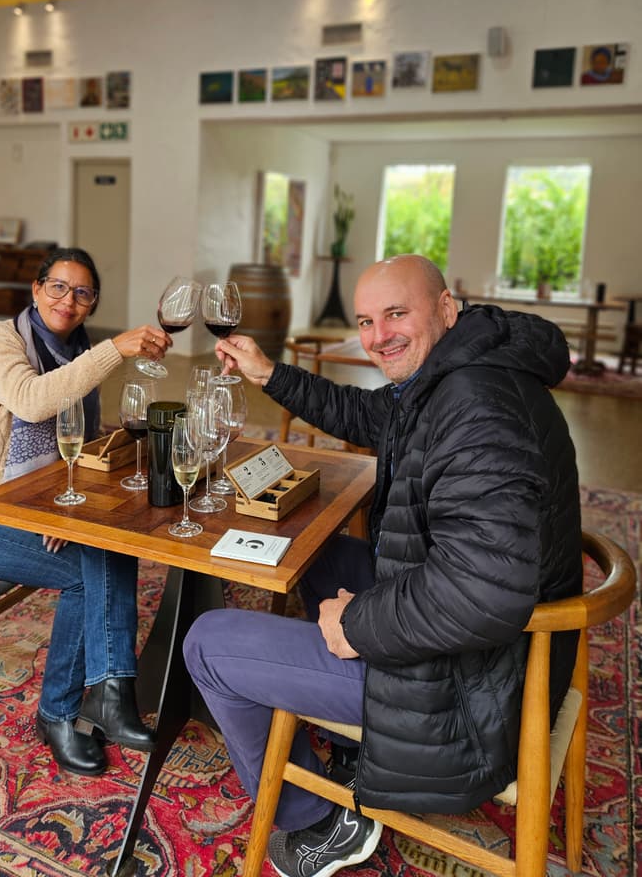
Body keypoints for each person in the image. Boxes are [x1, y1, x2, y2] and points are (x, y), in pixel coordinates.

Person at [184, 254, 582, 877]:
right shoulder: (460, 371)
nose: (378, 336)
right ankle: (353, 744)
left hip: (471, 693)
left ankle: (319, 818)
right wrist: (268, 373)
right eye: (367, 320)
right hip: (491, 659)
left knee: (208, 643)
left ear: (447, 309)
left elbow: (481, 594)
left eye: (397, 314)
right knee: (322, 556)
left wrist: (360, 624)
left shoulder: (477, 409)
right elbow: (367, 416)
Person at [0, 247, 172, 777]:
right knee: (86, 577)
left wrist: (62, 512)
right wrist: (113, 349)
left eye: (82, 292)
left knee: (112, 540)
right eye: (58, 287)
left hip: (28, 507)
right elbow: (32, 400)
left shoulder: (74, 351)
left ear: (91, 304)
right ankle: (59, 712)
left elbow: (75, 445)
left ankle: (113, 691)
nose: (69, 299)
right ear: (36, 291)